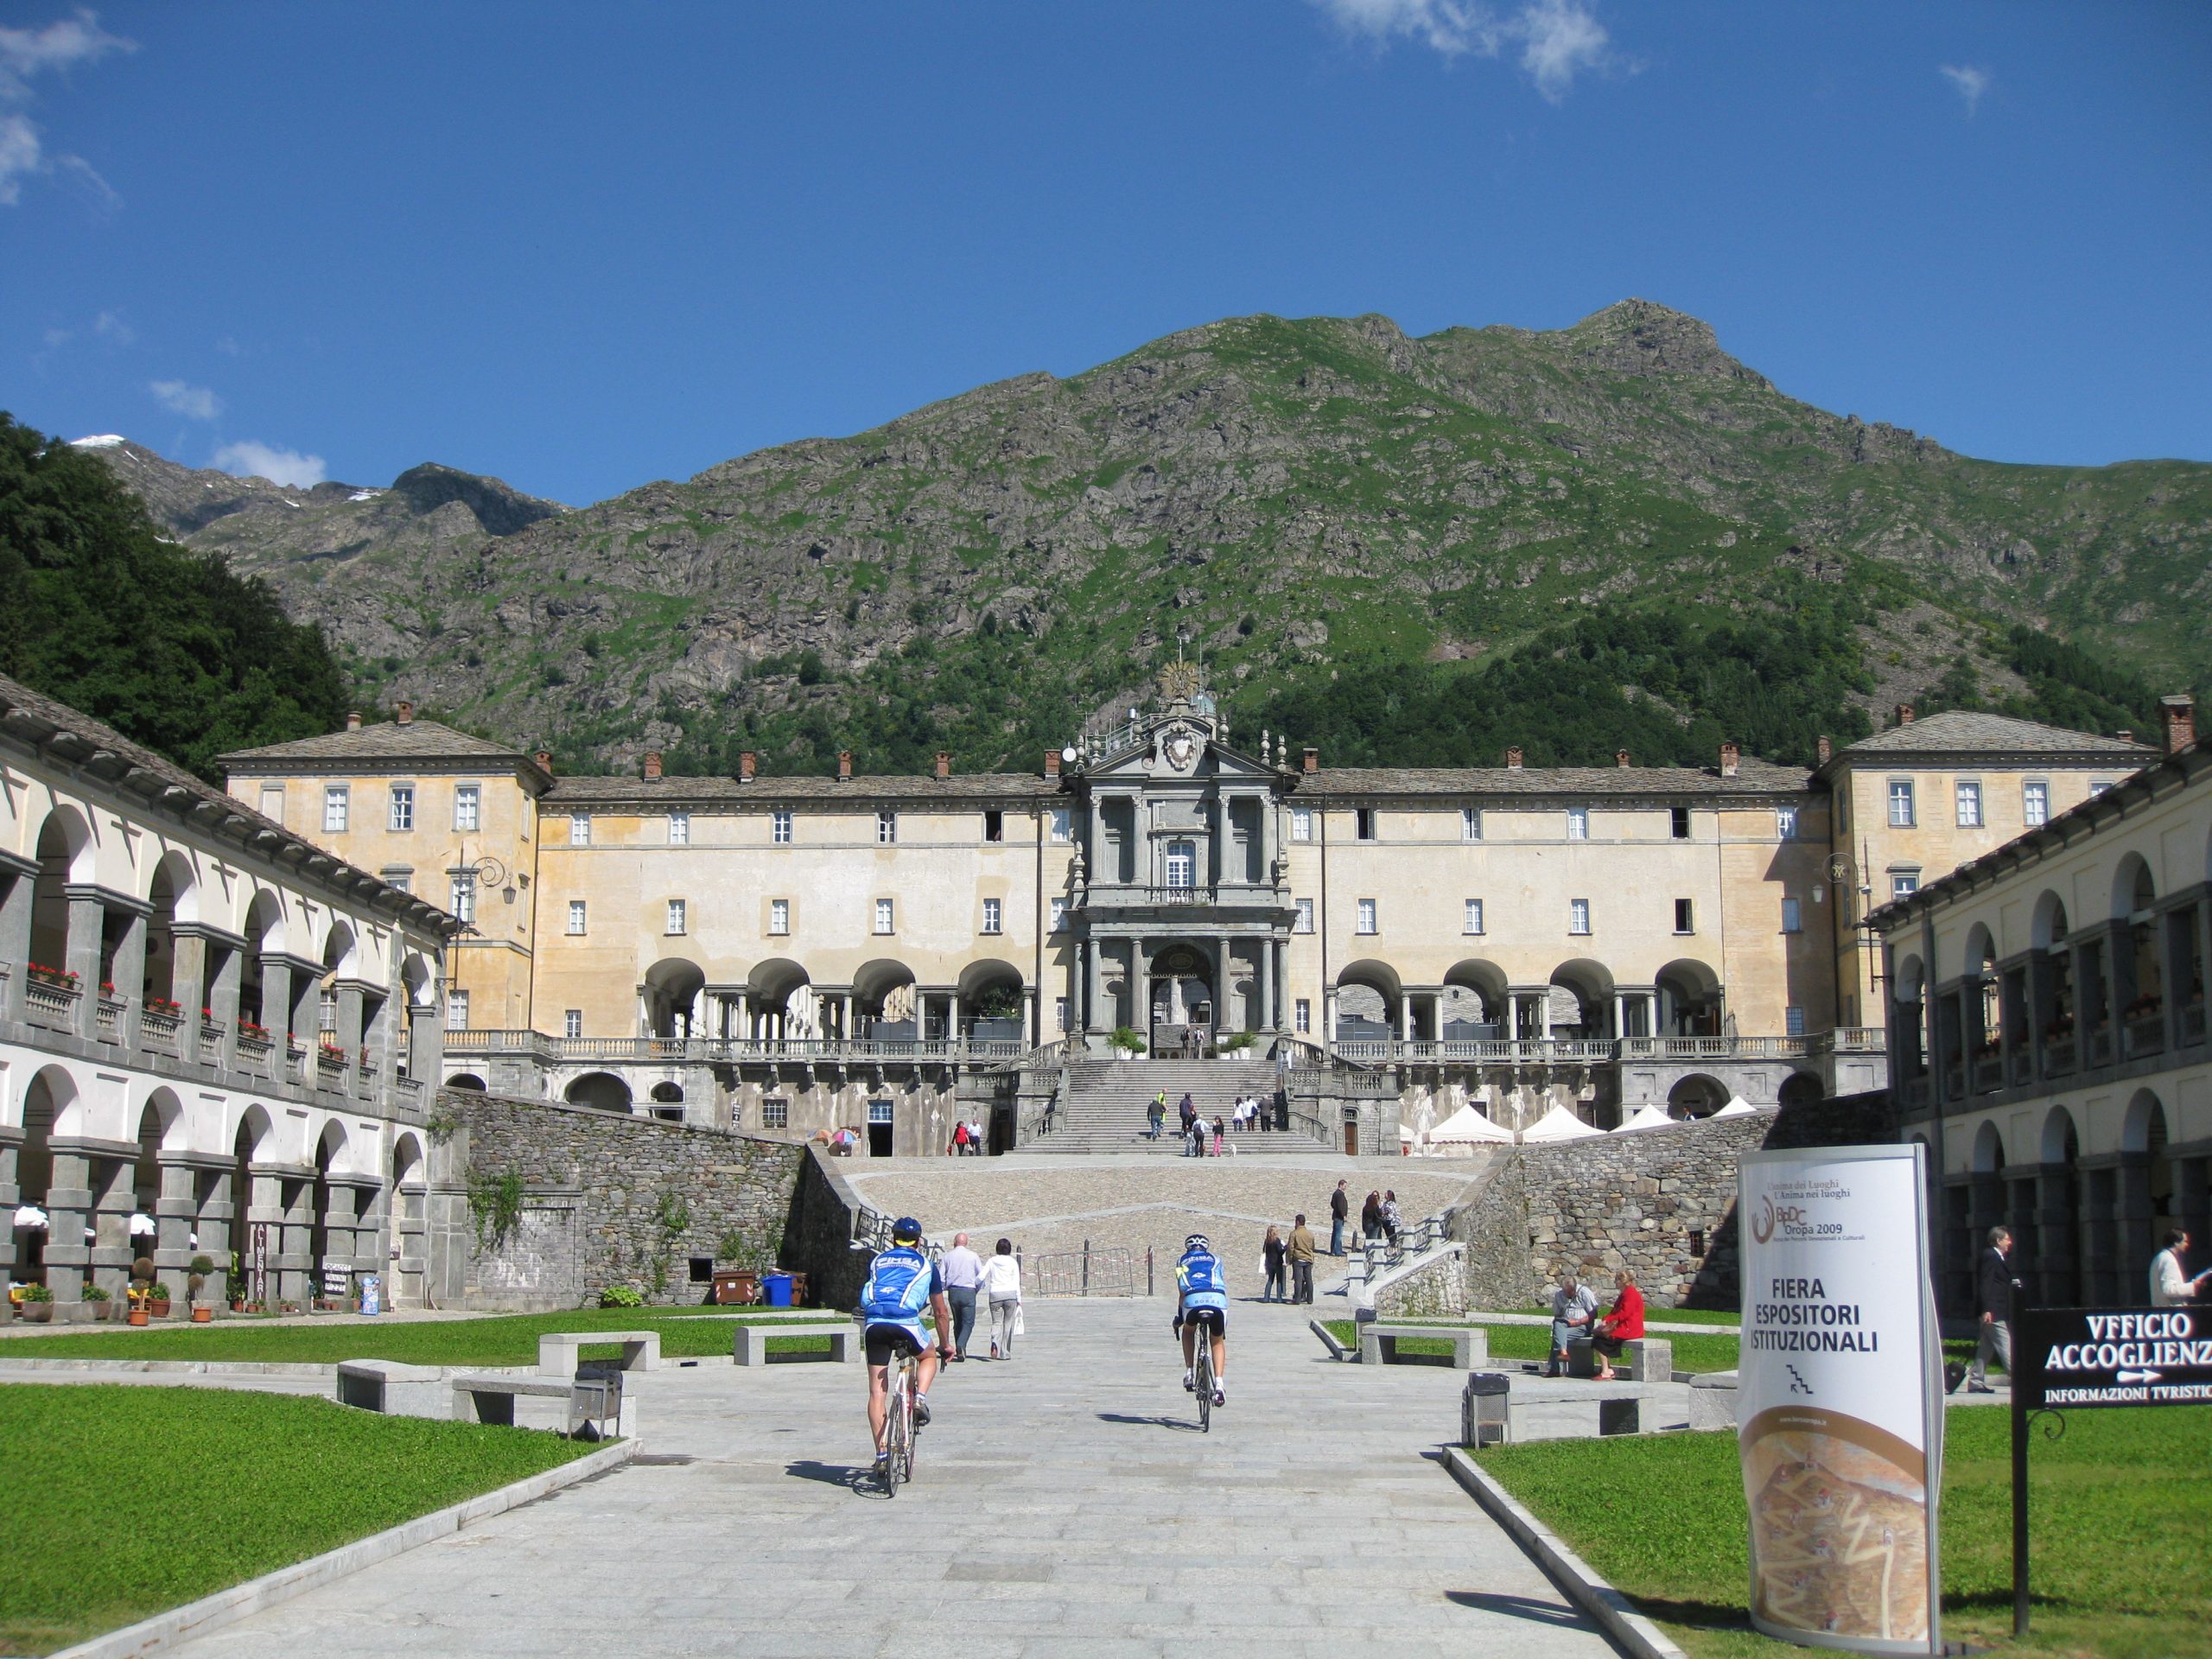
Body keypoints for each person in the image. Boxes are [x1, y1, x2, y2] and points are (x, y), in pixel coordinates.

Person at [860, 1217, 954, 1476]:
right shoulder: (927, 1265)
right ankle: (920, 1399)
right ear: (919, 1241)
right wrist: (946, 1346)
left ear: (892, 1239)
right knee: (928, 1357)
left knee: (876, 1393)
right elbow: (940, 1312)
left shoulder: (878, 1260)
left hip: (875, 1323)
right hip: (905, 1322)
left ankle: (881, 1454)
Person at [1174, 1232, 1229, 1408]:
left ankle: (1190, 1371)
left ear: (1188, 1248)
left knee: (1188, 1331)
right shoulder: (1216, 1259)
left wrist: (1178, 1318)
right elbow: (1220, 1280)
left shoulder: (1181, 1261)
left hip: (1192, 1299)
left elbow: (1182, 1291)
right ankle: (1219, 1385)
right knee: (1217, 1341)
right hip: (1217, 1299)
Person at [1967, 1224, 2020, 1393]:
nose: (2010, 1242)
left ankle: (1976, 1381)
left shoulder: (1997, 1257)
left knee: (1986, 1348)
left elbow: (1996, 1282)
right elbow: (1986, 1283)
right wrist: (1987, 1309)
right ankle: (2022, 1381)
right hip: (1993, 1312)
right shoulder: (1990, 1256)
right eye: (2006, 1239)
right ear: (1998, 1241)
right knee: (2006, 1346)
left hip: (1994, 1310)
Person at [1590, 1269, 1645, 1381]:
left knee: (1598, 1341)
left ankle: (1606, 1371)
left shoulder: (1631, 1294)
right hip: (1624, 1327)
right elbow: (1615, 1311)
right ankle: (1607, 1369)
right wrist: (1606, 1319)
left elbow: (1625, 1313)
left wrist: (1609, 1320)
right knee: (1598, 1338)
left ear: (1622, 1281)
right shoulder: (1625, 1293)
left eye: (1616, 1280)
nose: (1615, 1283)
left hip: (1629, 1328)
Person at [940, 1231, 983, 1360]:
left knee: (957, 1322)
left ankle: (960, 1349)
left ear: (954, 1242)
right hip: (969, 1291)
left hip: (953, 1291)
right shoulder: (973, 1256)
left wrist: (944, 1288)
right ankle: (961, 1345)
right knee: (968, 1322)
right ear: (966, 1242)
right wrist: (977, 1289)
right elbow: (980, 1277)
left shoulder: (947, 1256)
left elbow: (941, 1277)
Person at [1547, 1273, 1599, 1376]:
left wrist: (1577, 1322)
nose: (1569, 1295)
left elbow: (1594, 1313)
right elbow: (1557, 1314)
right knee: (1558, 1326)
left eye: (1571, 1292)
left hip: (1583, 1326)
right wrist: (1564, 1321)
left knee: (1558, 1335)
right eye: (1567, 1293)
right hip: (1566, 1324)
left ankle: (1554, 1369)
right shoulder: (1559, 1295)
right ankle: (1563, 1354)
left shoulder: (1584, 1292)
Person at [981, 1236, 1023, 1358]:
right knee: (1008, 1323)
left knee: (996, 1322)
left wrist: (977, 1285)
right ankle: (1005, 1352)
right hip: (1010, 1294)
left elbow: (981, 1276)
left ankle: (994, 1341)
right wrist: (1019, 1299)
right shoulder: (1013, 1262)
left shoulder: (992, 1261)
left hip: (995, 1295)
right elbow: (1016, 1282)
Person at [2151, 1228, 2209, 1306]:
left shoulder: (2160, 1257)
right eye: (2185, 1241)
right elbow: (2168, 1290)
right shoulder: (2169, 1260)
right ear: (2176, 1243)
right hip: (2172, 1312)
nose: (2187, 1245)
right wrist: (2194, 1285)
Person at [1287, 1213, 1317, 1304]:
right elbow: (1312, 1247)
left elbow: (1291, 1248)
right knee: (1309, 1280)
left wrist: (1290, 1258)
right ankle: (1310, 1299)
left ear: (1297, 1222)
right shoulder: (1310, 1234)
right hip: (1308, 1259)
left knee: (1298, 1281)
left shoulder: (1294, 1234)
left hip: (1298, 1259)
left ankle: (1297, 1299)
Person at [1262, 1225, 1288, 1302]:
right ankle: (1279, 1298)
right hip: (1277, 1263)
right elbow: (1280, 1251)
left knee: (1270, 1280)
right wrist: (1286, 1247)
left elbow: (1264, 1250)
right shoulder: (1277, 1241)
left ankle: (1266, 1297)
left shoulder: (1267, 1241)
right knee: (1279, 1281)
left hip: (1270, 1263)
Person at [1329, 1179, 1351, 1256]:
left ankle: (1333, 1250)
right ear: (1341, 1185)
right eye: (1345, 1186)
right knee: (1338, 1235)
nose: (1345, 1187)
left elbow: (1332, 1204)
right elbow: (1340, 1206)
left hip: (1336, 1216)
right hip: (1339, 1217)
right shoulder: (1340, 1194)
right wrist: (1343, 1215)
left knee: (1335, 1234)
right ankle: (1338, 1251)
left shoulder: (1335, 1193)